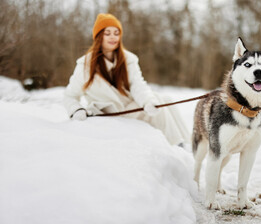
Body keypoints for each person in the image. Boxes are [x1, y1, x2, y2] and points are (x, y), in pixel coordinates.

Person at [63, 13, 189, 146]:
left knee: (165, 100)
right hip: (110, 114)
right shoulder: (85, 65)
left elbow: (138, 85)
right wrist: (76, 110)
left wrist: (147, 102)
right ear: (99, 36)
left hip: (129, 108)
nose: (113, 37)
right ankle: (177, 145)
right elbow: (70, 96)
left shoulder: (129, 59)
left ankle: (190, 142)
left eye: (116, 33)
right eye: (108, 33)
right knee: (158, 98)